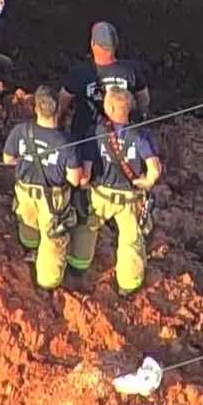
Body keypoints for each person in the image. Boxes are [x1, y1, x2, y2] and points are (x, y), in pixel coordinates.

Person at [68, 89, 162, 295]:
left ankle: (78, 267)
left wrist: (82, 186)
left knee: (87, 228)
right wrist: (145, 183)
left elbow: (86, 172)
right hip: (129, 198)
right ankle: (129, 285)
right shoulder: (139, 135)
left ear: (110, 108)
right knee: (130, 239)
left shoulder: (96, 132)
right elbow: (155, 168)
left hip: (101, 195)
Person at [2, 86, 85, 289]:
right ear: (57, 110)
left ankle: (29, 250)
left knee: (28, 225)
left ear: (36, 109)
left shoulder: (21, 131)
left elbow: (7, 159)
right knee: (53, 240)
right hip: (53, 200)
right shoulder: (65, 142)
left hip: (25, 194)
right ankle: (48, 282)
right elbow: (74, 180)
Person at [58, 21, 151, 143]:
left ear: (93, 44)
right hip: (122, 139)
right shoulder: (131, 70)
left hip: (86, 137)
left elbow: (63, 101)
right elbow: (143, 99)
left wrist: (60, 122)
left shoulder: (80, 72)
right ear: (115, 45)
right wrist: (142, 117)